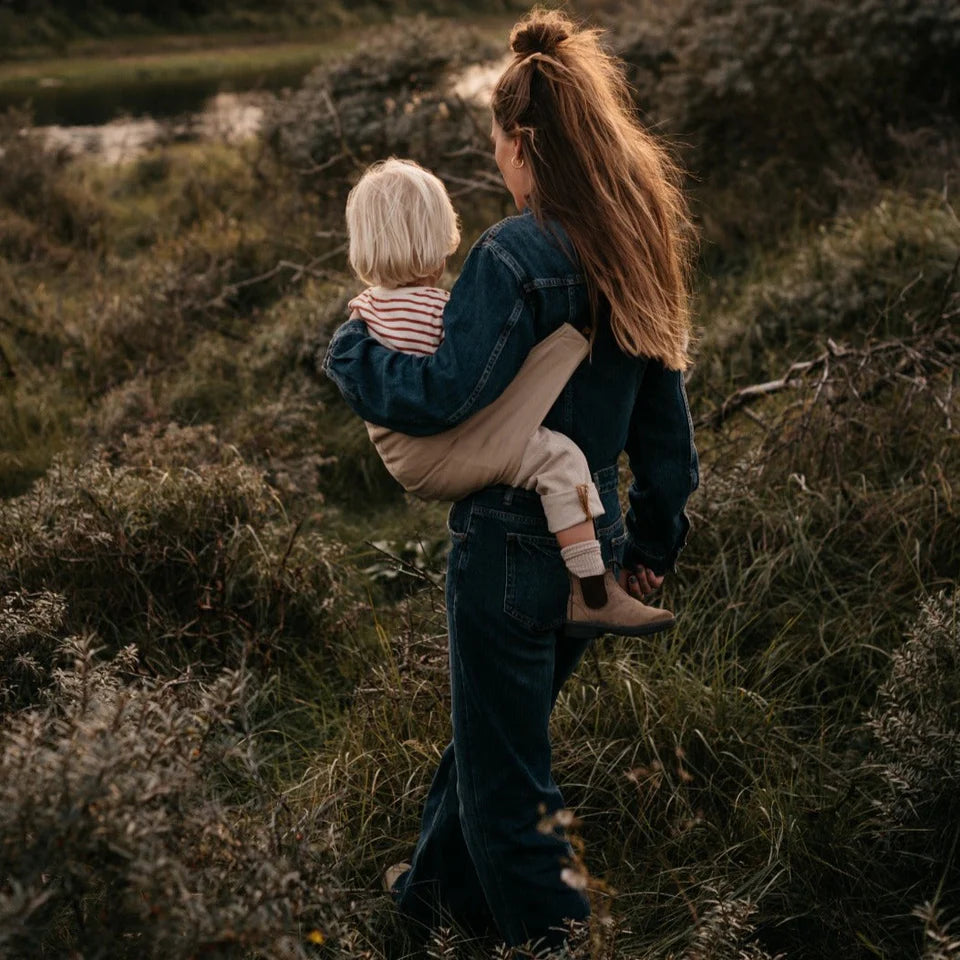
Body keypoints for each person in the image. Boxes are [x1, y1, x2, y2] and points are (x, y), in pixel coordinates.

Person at [323, 9, 699, 952]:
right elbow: (666, 426)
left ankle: (553, 941)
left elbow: (447, 393)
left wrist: (351, 355)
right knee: (494, 734)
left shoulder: (514, 254)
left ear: (524, 140)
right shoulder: (634, 239)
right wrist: (650, 546)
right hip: (591, 541)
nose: (497, 165)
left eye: (497, 147)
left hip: (507, 546)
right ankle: (428, 905)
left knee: (507, 778)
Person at [340, 156, 675, 638]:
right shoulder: (444, 311)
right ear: (441, 241)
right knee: (559, 460)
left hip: (407, 456)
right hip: (447, 448)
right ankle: (592, 590)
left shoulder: (364, 312)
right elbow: (471, 382)